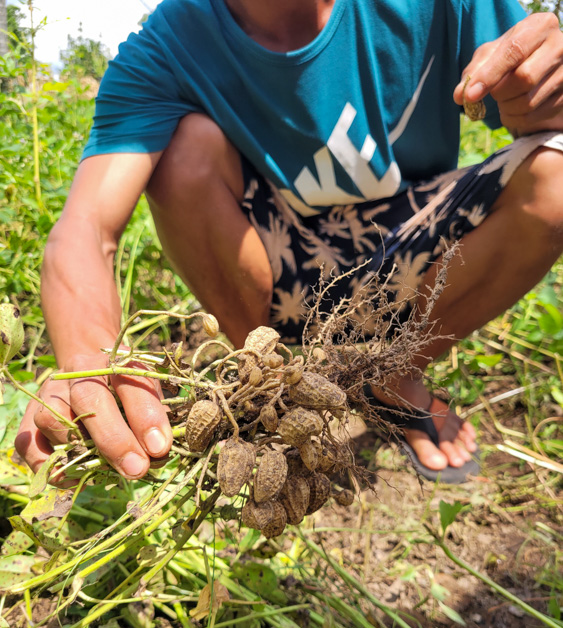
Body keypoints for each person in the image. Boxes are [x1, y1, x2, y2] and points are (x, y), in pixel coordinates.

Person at [14, 0, 563, 484]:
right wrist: (88, 354)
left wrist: (547, 98)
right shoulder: (166, 46)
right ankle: (266, 384)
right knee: (183, 152)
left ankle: (393, 378)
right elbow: (85, 228)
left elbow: (538, 106)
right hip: (283, 258)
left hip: (416, 241)